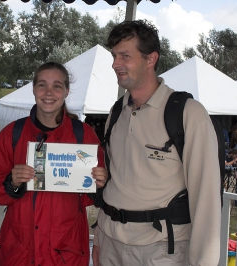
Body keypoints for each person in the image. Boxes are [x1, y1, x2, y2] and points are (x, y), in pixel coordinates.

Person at [92, 20, 221, 266]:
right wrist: (99, 238)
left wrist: (203, 261)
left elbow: (206, 197)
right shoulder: (117, 112)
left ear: (151, 59)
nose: (115, 64)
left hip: (161, 250)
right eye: (114, 55)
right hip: (111, 244)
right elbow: (114, 182)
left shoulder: (188, 114)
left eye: (125, 56)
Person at [0, 62, 108, 266]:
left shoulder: (83, 135)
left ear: (66, 91)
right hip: (20, 251)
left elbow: (95, 195)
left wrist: (101, 184)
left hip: (65, 252)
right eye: (42, 85)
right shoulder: (13, 134)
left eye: (57, 86)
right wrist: (11, 181)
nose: (49, 92)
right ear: (33, 89)